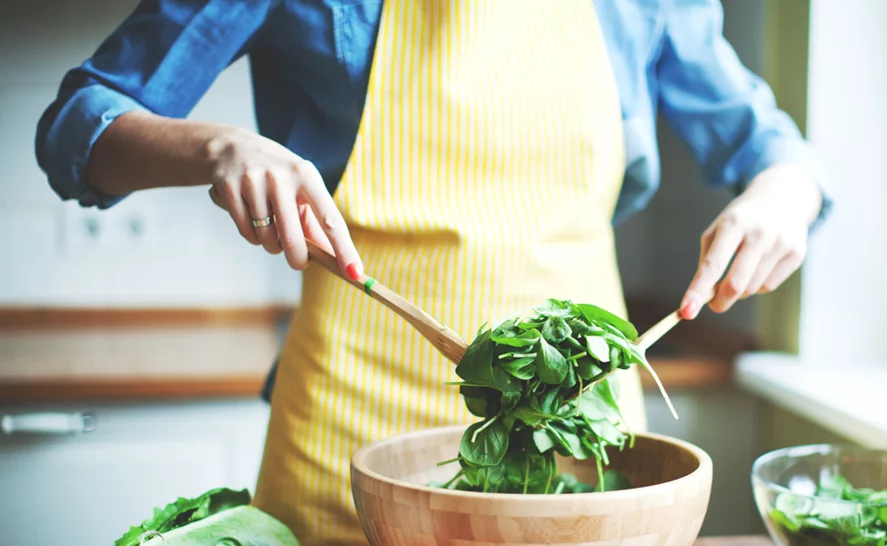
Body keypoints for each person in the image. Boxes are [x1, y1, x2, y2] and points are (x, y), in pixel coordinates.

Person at [36, 0, 831, 543]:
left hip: (583, 433)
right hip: (345, 438)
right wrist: (221, 148)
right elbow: (78, 122)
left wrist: (783, 195)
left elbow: (773, 149)